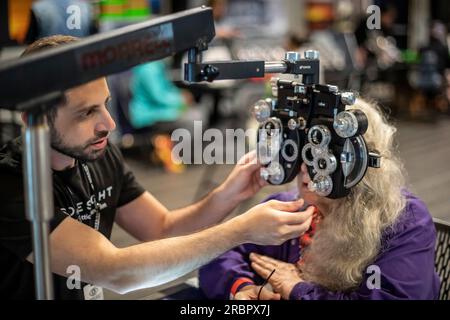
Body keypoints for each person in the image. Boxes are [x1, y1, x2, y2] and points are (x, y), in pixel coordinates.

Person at [0, 35, 314, 300]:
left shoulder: (98, 155)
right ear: (33, 118)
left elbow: (162, 229)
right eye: (86, 113)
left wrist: (228, 194)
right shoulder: (10, 184)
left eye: (105, 105)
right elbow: (117, 271)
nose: (108, 124)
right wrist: (240, 229)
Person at [199, 98, 440, 300]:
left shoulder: (403, 220)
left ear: (359, 162)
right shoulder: (290, 209)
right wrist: (241, 288)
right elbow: (219, 251)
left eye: (323, 156)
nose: (305, 167)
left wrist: (297, 288)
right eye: (301, 150)